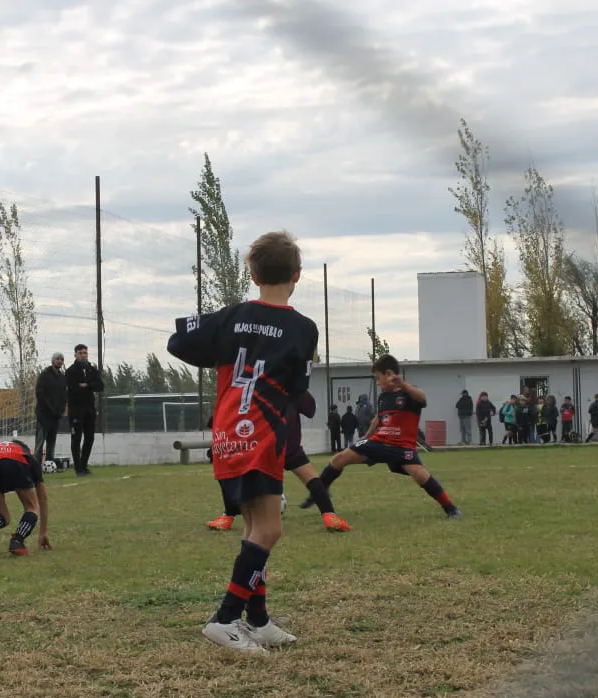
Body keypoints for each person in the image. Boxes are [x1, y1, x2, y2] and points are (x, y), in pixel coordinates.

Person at [167, 229, 315, 653]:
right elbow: (297, 386)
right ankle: (226, 617)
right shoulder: (303, 328)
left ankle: (259, 618)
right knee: (269, 529)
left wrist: (220, 353)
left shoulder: (230, 317)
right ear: (297, 275)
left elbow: (178, 340)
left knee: (253, 526)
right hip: (263, 431)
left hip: (229, 428)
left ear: (252, 274)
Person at [311, 355, 462, 520]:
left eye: (378, 378)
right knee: (339, 458)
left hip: (402, 446)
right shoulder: (383, 397)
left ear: (389, 374)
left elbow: (423, 398)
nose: (377, 382)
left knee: (419, 474)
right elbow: (378, 419)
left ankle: (450, 508)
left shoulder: (409, 392)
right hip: (379, 442)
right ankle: (318, 493)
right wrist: (365, 437)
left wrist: (403, 384)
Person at [210, 391, 351, 533]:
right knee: (310, 477)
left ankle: (227, 516)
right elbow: (310, 410)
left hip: (261, 444)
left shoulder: (256, 383)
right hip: (287, 443)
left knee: (234, 473)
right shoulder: (292, 385)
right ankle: (329, 516)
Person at [0, 440, 52, 556]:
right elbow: (43, 498)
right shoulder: (25, 455)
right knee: (32, 507)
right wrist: (43, 532)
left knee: (4, 518)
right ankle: (17, 541)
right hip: (16, 459)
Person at [65, 344, 104, 476]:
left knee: (89, 438)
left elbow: (100, 386)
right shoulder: (70, 371)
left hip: (90, 410)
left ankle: (84, 465)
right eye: (81, 353)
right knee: (76, 439)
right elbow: (73, 388)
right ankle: (78, 469)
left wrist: (87, 385)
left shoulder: (92, 369)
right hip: (76, 410)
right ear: (75, 354)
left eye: (85, 353)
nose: (83, 355)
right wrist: (85, 386)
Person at [35, 352, 67, 471]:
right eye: (57, 359)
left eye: (61, 359)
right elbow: (40, 394)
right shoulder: (44, 375)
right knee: (40, 441)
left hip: (56, 416)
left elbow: (64, 395)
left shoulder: (62, 377)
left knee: (52, 441)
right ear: (52, 361)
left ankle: (49, 464)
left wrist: (62, 409)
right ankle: (36, 466)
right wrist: (50, 409)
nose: (59, 361)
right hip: (44, 415)